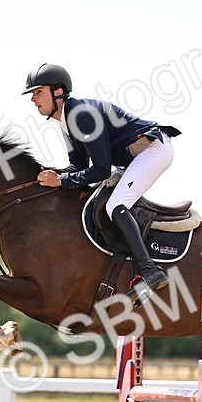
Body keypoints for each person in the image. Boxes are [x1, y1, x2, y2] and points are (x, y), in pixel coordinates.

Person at [23, 63, 180, 295]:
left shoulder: (82, 116)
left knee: (115, 204)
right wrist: (53, 176)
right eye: (32, 94)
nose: (33, 100)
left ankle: (150, 271)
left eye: (38, 92)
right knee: (103, 201)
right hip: (133, 157)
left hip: (153, 150)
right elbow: (78, 166)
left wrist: (62, 181)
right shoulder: (66, 121)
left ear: (58, 92)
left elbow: (101, 170)